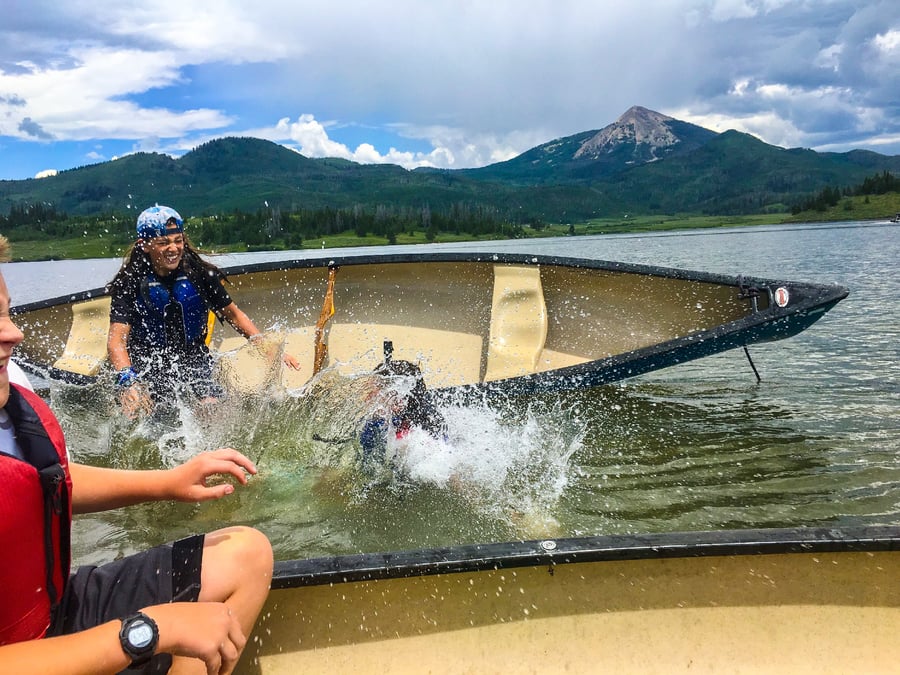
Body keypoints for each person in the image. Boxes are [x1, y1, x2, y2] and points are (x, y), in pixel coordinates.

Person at [0, 234, 273, 674]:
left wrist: (166, 483)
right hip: (23, 650)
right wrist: (149, 630)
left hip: (53, 606)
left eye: (8, 312)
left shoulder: (11, 397)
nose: (16, 333)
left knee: (247, 552)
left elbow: (45, 480)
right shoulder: (131, 282)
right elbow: (117, 342)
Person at [107, 204, 300, 418]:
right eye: (163, 243)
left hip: (194, 359)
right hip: (148, 363)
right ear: (145, 245)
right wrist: (128, 381)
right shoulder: (130, 282)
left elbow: (234, 315)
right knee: (147, 413)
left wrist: (267, 347)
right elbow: (117, 341)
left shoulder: (199, 274)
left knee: (212, 409)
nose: (173, 249)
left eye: (178, 241)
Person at [358, 358, 447, 470]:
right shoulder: (380, 422)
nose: (368, 397)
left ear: (399, 399)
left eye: (377, 390)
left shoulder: (418, 435)